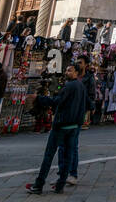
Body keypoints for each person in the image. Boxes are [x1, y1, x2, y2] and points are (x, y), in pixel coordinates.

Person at [27, 64, 86, 194]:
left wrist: (39, 98)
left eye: (69, 70)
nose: (66, 72)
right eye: (66, 69)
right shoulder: (81, 86)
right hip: (73, 126)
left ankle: (39, 184)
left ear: (76, 72)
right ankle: (60, 185)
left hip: (62, 125)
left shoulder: (70, 86)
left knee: (49, 155)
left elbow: (57, 101)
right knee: (68, 155)